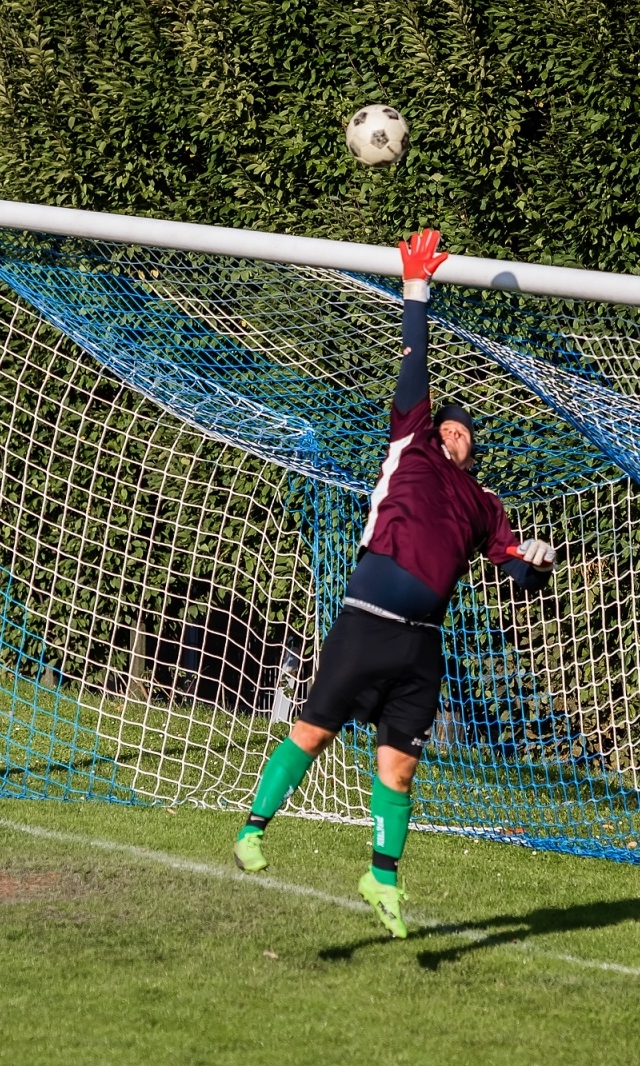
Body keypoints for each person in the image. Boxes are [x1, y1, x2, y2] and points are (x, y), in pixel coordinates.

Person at [231, 228, 557, 938]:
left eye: (462, 431)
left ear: (473, 445)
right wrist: (416, 288)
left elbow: (508, 575)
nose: (451, 432)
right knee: (313, 731)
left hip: (422, 646)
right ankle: (254, 828)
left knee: (400, 769)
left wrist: (535, 564)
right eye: (445, 424)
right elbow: (415, 372)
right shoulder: (409, 441)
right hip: (368, 620)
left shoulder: (486, 506)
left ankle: (381, 880)